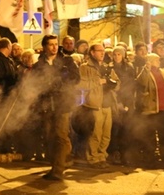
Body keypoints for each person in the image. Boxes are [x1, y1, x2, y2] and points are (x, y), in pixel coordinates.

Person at [33, 34, 80, 180]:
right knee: (49, 136)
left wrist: (60, 81)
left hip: (62, 104)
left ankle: (57, 170)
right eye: (51, 44)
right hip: (46, 105)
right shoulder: (39, 64)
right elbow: (34, 83)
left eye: (55, 44)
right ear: (45, 47)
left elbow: (76, 78)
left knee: (60, 135)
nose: (54, 47)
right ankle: (57, 163)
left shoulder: (66, 61)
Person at [78, 43, 120, 168]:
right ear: (92, 52)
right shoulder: (85, 68)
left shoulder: (107, 67)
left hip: (107, 103)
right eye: (99, 51)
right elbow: (80, 84)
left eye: (103, 51)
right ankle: (93, 158)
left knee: (106, 133)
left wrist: (113, 84)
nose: (102, 53)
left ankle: (102, 156)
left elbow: (118, 83)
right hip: (94, 103)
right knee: (96, 133)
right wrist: (98, 82)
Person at [135, 53, 164, 168]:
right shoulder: (146, 72)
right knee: (150, 135)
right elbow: (141, 83)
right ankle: (151, 158)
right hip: (151, 109)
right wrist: (146, 69)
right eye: (157, 60)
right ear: (151, 61)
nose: (159, 61)